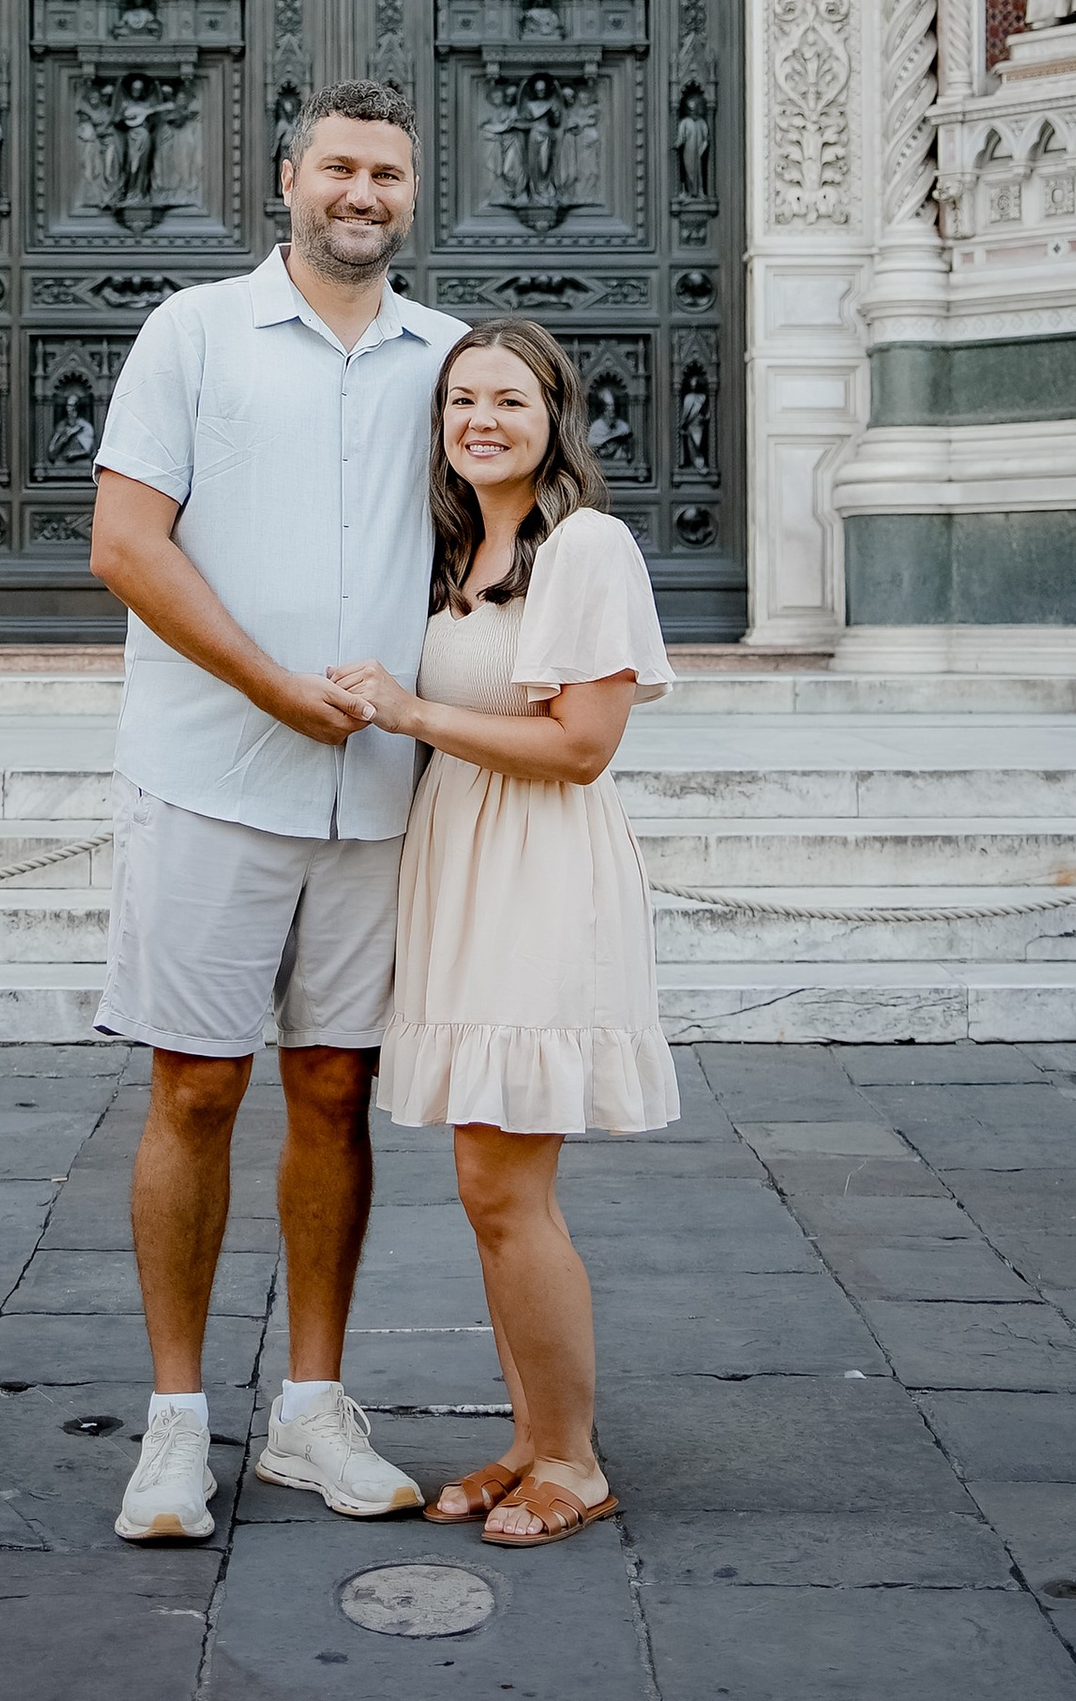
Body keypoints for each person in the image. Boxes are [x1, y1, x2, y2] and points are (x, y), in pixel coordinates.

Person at [88, 82, 469, 1549]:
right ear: (288, 178)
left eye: (390, 174)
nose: (363, 194)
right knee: (195, 1087)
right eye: (340, 169)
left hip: (378, 793)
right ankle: (176, 1429)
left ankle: (313, 1410)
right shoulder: (192, 332)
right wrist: (270, 688)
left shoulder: (450, 360)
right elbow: (127, 544)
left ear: (412, 194)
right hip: (209, 774)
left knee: (331, 1091)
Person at [329, 321, 675, 1547]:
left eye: (509, 400)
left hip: (540, 867)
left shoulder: (585, 545)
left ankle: (574, 1461)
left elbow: (582, 746)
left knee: (502, 1182)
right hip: (463, 862)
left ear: (554, 416)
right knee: (490, 1191)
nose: (481, 420)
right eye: (460, 400)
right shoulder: (455, 550)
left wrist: (411, 711)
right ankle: (531, 1440)